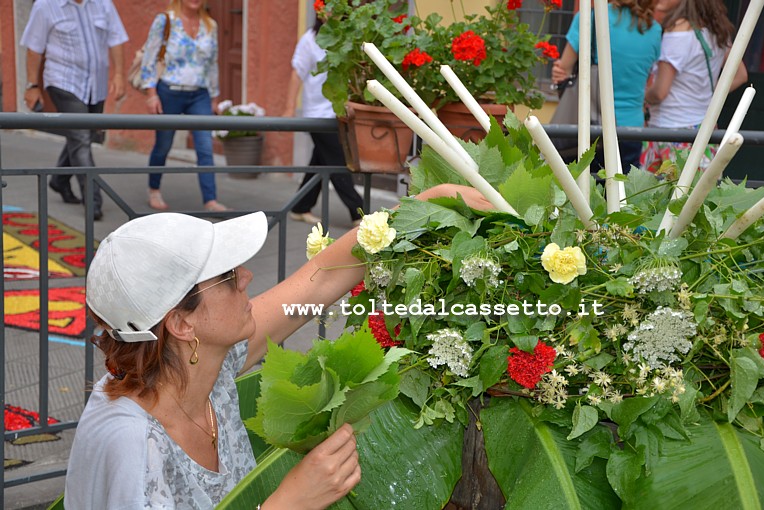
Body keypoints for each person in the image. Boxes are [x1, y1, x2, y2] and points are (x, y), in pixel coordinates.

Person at [64, 183, 490, 508]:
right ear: (180, 322)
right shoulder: (132, 448)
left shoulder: (198, 367)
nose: (247, 277)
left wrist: (429, 203)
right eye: (228, 276)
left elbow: (321, 277)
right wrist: (289, 502)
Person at [20, 0, 128, 221]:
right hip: (63, 82)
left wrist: (118, 75)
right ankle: (93, 201)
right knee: (80, 138)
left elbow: (116, 38)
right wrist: (32, 85)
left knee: (80, 137)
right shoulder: (45, 6)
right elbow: (34, 48)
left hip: (95, 85)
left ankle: (59, 180)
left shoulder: (103, 4)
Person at [552, 0, 661, 172]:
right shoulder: (654, 30)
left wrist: (560, 73)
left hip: (590, 128)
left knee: (583, 191)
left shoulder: (590, 19)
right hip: (631, 130)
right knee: (624, 193)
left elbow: (562, 72)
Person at [640, 0, 749, 174]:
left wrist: (642, 97)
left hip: (668, 130)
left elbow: (660, 92)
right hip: (704, 130)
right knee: (697, 197)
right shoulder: (717, 29)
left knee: (651, 197)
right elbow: (740, 75)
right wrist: (704, 96)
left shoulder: (678, 32)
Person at [140, 0, 229, 212]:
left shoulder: (210, 25)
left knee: (205, 147)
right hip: (169, 90)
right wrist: (151, 94)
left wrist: (214, 97)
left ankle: (210, 199)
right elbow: (149, 59)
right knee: (163, 144)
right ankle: (154, 189)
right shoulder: (165, 21)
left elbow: (212, 63)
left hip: (199, 94)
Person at [283, 17, 364, 227]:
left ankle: (300, 207)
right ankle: (359, 213)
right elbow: (296, 73)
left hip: (340, 111)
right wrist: (289, 108)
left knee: (320, 160)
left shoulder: (347, 37)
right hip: (317, 114)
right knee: (338, 162)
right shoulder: (309, 40)